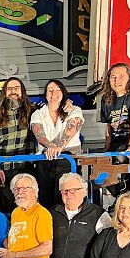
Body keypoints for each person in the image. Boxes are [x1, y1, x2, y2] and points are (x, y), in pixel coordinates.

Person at [0, 173, 54, 258]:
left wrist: (13, 255)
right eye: (17, 189)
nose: (20, 192)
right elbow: (16, 241)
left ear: (35, 191)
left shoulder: (42, 214)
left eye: (25, 188)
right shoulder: (16, 213)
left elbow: (47, 248)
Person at [30, 79, 84, 208]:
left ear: (63, 92)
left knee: (64, 197)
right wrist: (51, 147)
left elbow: (71, 129)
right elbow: (39, 134)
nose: (54, 93)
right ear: (45, 94)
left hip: (67, 158)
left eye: (58, 89)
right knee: (45, 200)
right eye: (50, 90)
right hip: (44, 159)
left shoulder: (75, 110)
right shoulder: (38, 114)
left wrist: (58, 148)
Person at [0, 77, 36, 213]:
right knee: (7, 210)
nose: (13, 92)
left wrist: (67, 102)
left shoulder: (33, 111)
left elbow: (54, 105)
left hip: (27, 168)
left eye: (16, 88)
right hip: (5, 170)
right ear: (4, 92)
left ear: (22, 91)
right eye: (10, 89)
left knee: (27, 209)